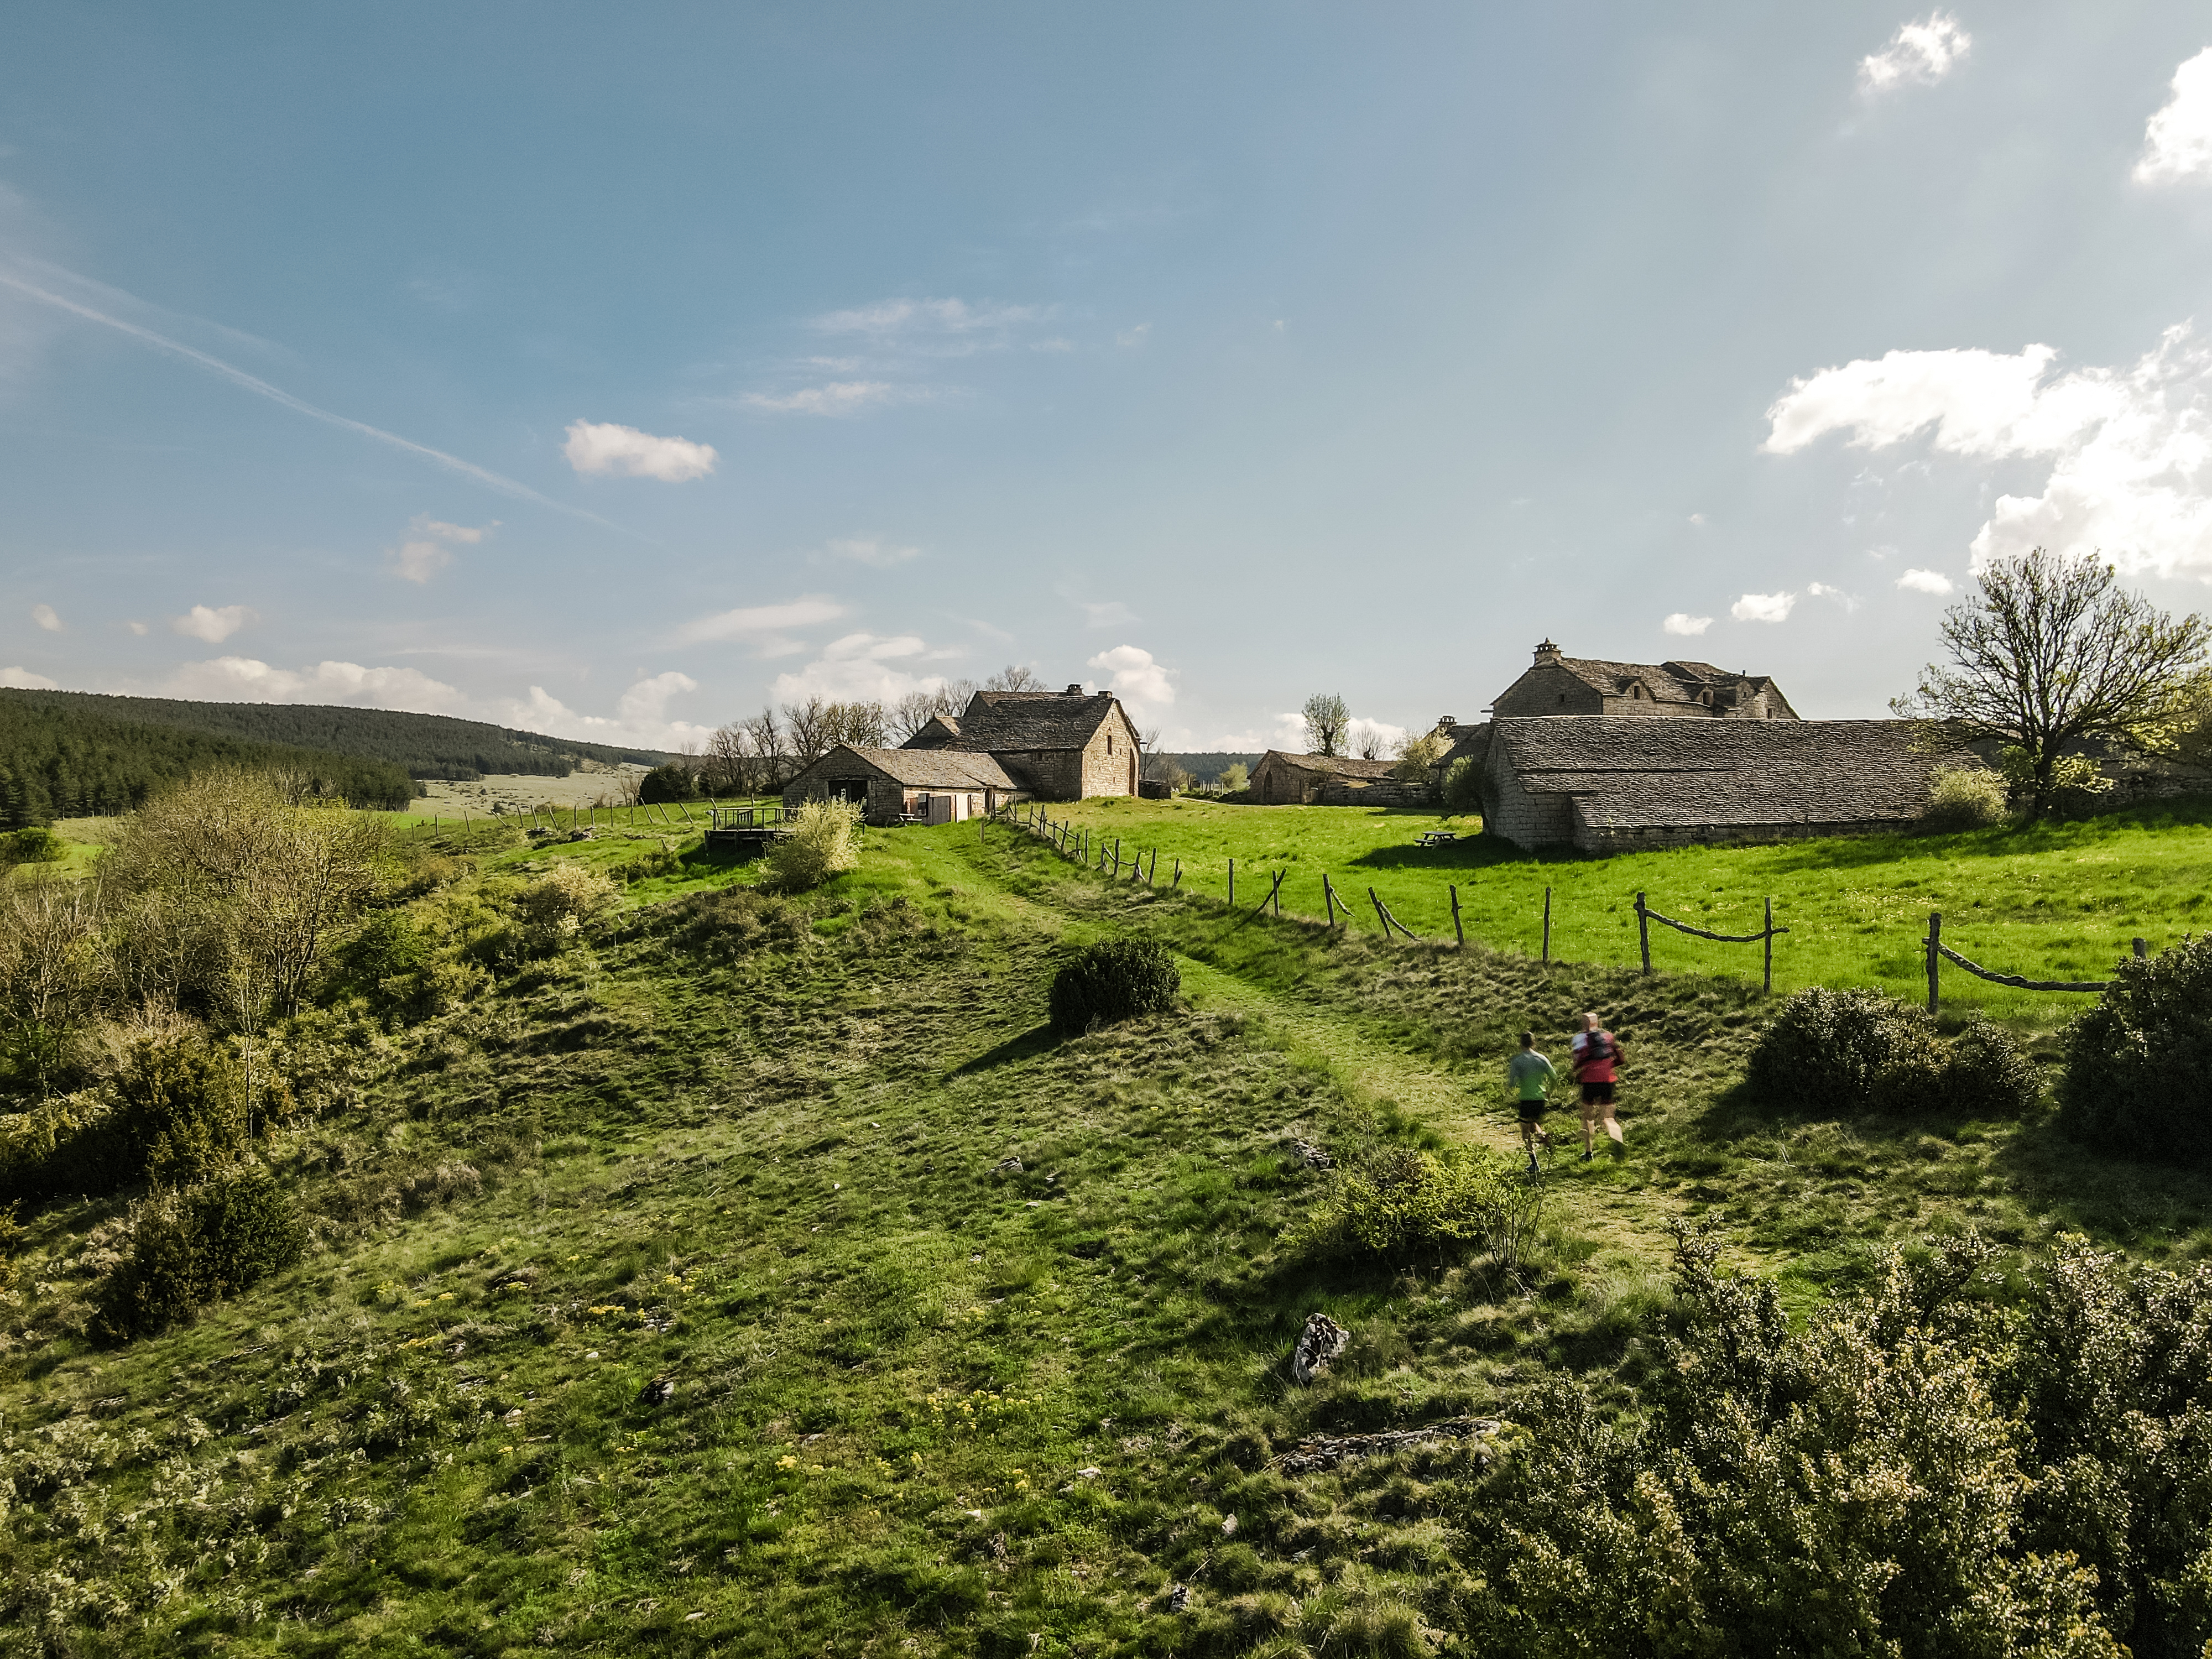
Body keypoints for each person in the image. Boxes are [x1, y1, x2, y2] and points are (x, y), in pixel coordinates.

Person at [1569, 1011, 1625, 1159]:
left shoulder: (1581, 1040)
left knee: (1588, 1119)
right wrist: (1608, 1067)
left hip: (1590, 1083)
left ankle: (1589, 1153)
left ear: (1584, 1024)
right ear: (1597, 1023)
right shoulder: (1608, 1037)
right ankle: (1618, 1144)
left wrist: (1577, 1073)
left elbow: (1579, 1061)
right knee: (1608, 1119)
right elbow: (1621, 1058)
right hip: (1607, 1081)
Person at [1506, 1031, 1557, 1174]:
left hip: (1526, 1098)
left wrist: (1510, 1088)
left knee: (1525, 1132)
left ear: (1520, 1043)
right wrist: (1549, 1091)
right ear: (1534, 1043)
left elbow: (1512, 1082)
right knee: (1534, 1123)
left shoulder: (1517, 1061)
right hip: (1540, 1098)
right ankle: (1543, 1137)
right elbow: (1554, 1077)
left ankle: (1534, 1163)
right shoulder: (1542, 1058)